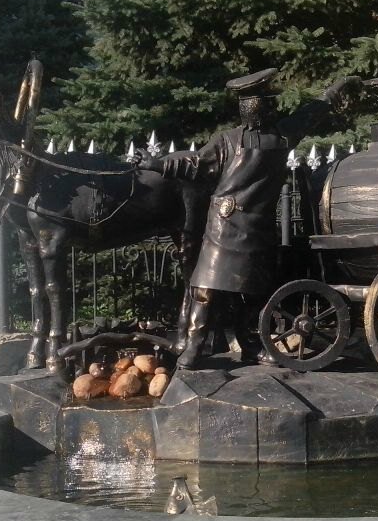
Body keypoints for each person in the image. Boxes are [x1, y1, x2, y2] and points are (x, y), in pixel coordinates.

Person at [139, 68, 361, 369]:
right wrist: (160, 165)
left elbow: (194, 164)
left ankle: (240, 346)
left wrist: (157, 164)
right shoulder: (255, 138)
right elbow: (195, 164)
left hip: (246, 226)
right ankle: (199, 347)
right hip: (231, 226)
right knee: (213, 290)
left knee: (241, 292)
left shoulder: (263, 138)